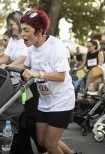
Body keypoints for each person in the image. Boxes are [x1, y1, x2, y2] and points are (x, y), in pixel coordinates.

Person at [20, 10, 79, 154]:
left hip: (62, 100)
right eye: (22, 30)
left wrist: (38, 73)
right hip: (45, 101)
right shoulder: (32, 49)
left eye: (26, 30)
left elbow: (61, 76)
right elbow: (25, 67)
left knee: (50, 144)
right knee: (42, 141)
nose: (22, 34)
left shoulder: (55, 46)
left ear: (39, 31)